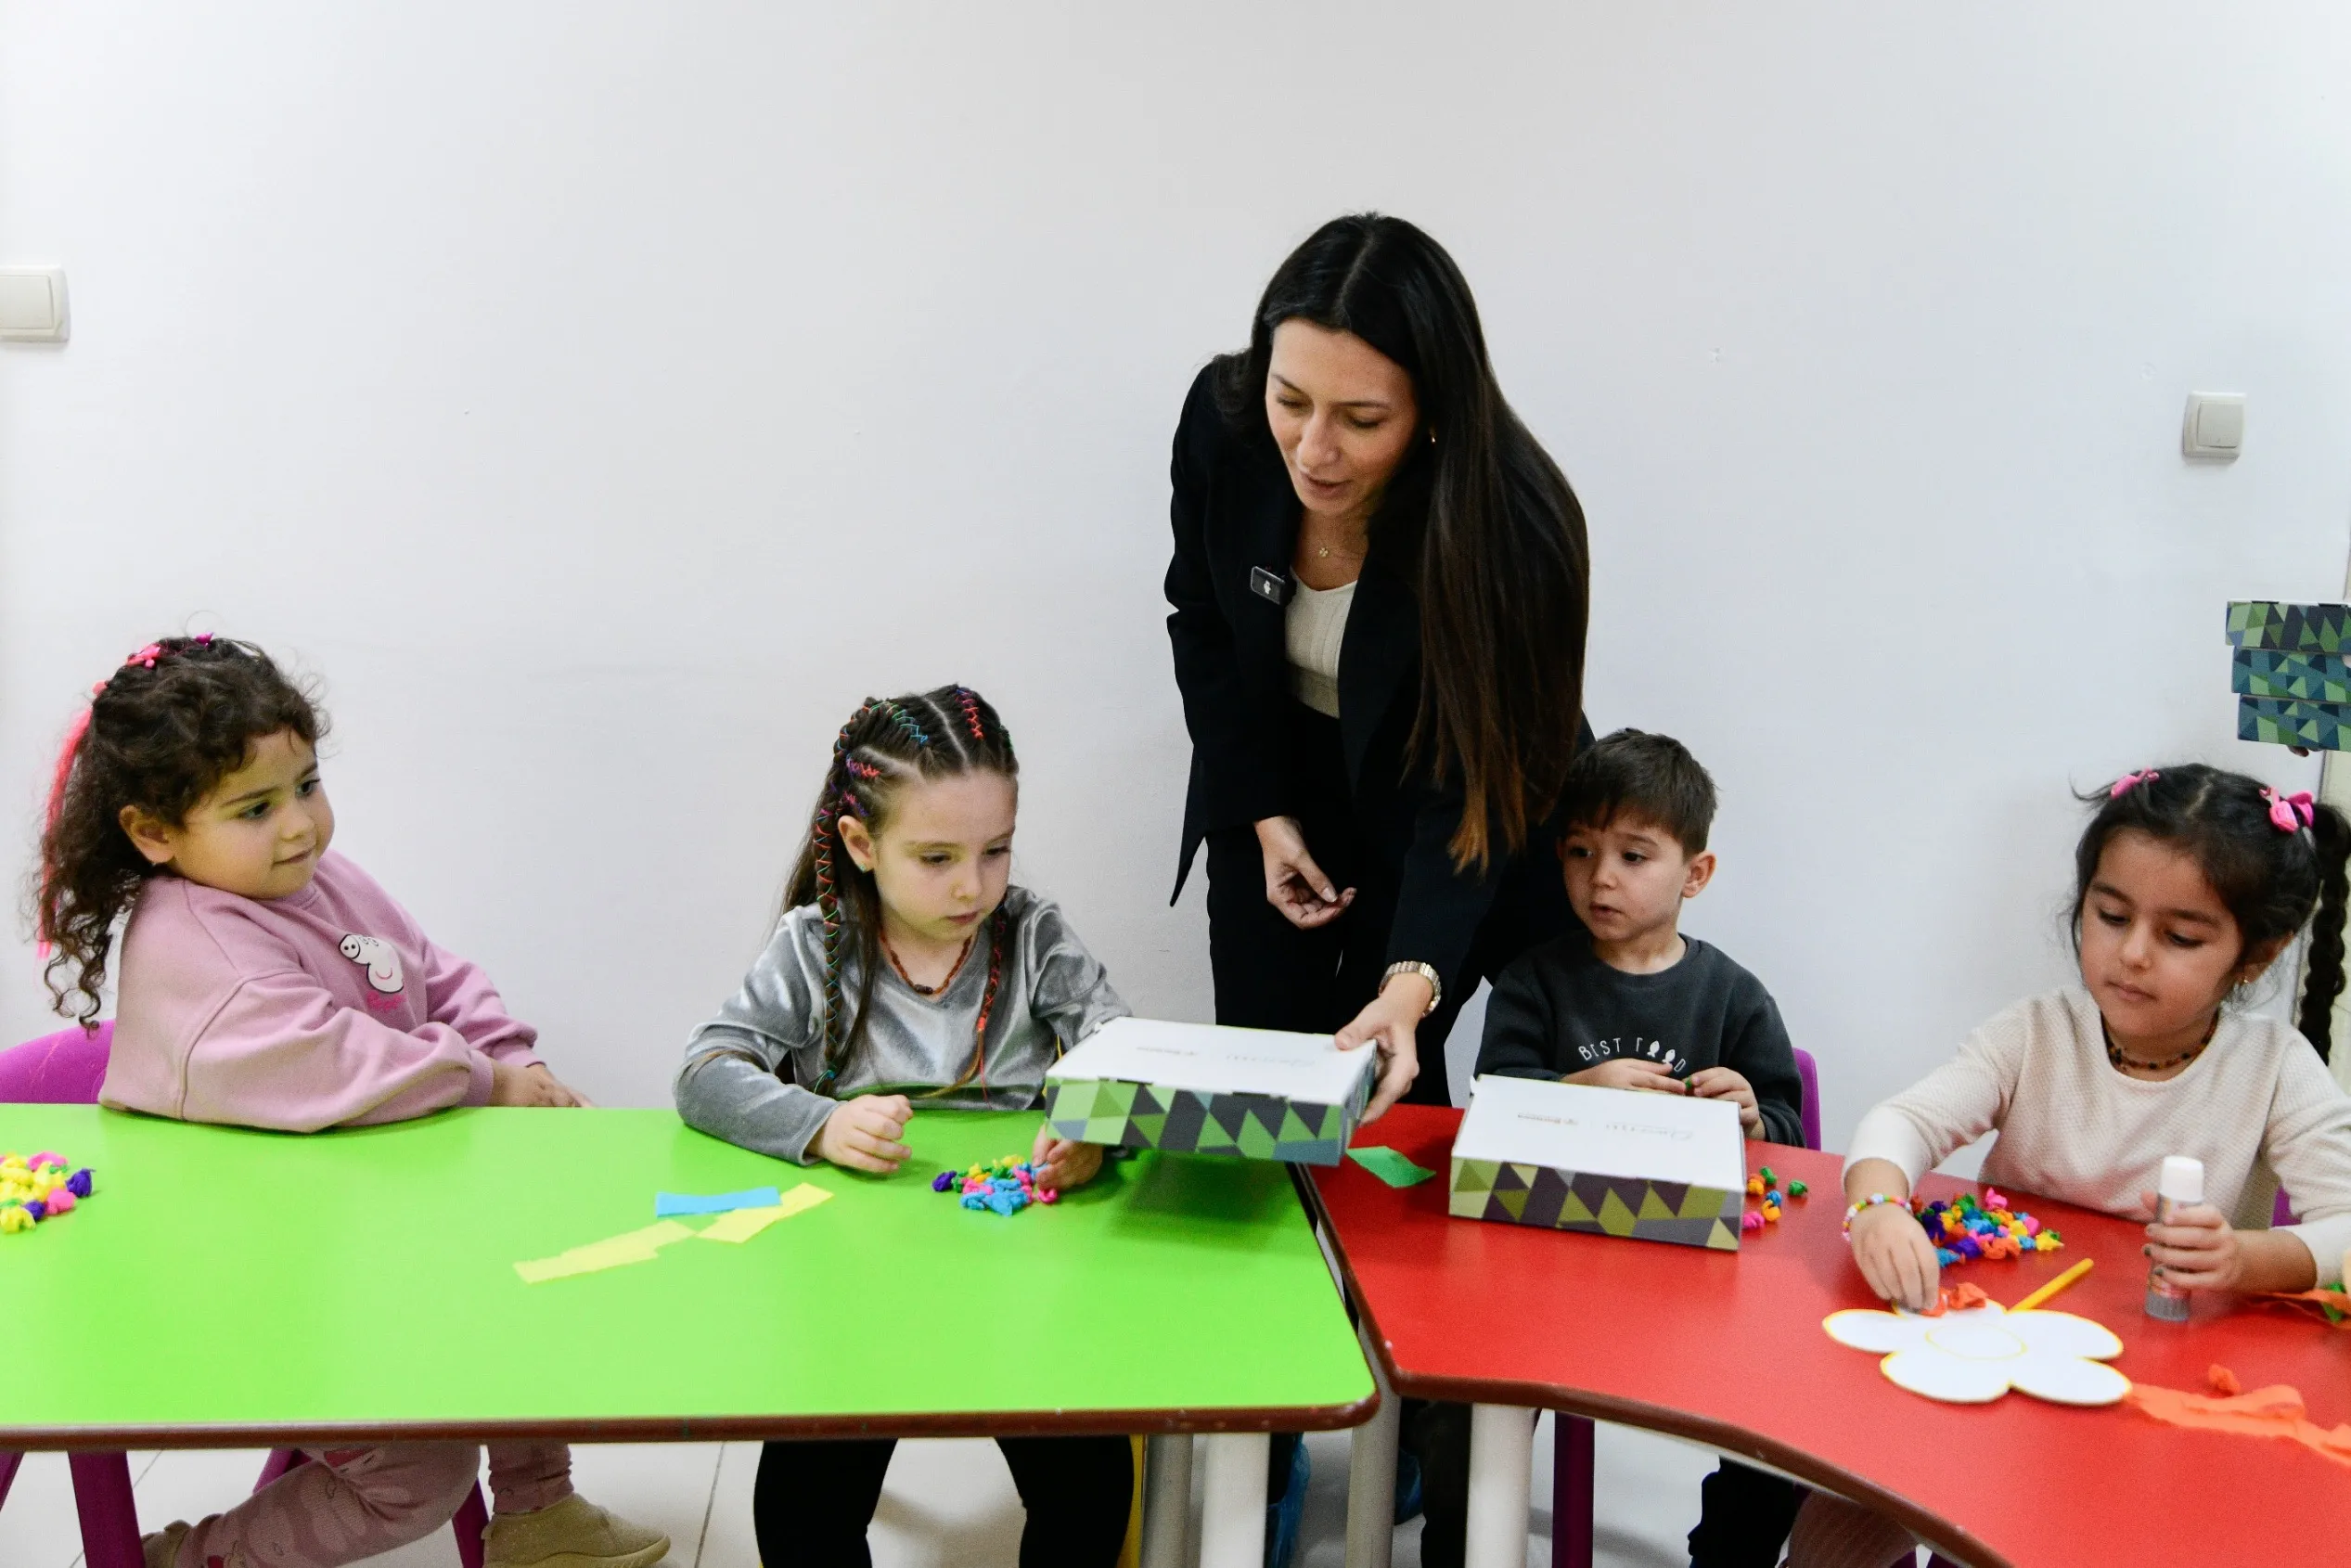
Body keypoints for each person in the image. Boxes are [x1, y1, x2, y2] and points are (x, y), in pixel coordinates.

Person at [36, 634, 667, 1568]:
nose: (299, 825)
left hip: (349, 1241)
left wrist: (504, 1057)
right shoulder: (196, 951)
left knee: (525, 1283)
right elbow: (333, 1066)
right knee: (417, 1471)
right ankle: (190, 1559)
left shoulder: (310, 876)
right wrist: (485, 1080)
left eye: (305, 785)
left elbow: (428, 971)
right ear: (155, 832)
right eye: (255, 807)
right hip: (236, 1291)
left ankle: (539, 1509)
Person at [1163, 212, 1591, 1568]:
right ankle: (1266, 1436)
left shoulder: (1512, 525)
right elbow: (1199, 619)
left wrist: (1414, 978)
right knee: (1269, 1130)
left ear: (1433, 414)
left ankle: (1426, 1432)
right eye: (1293, 400)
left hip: (1450, 806)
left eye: (1361, 417)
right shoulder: (1225, 422)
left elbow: (1480, 785)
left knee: (1404, 1121)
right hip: (1280, 793)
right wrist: (1261, 808)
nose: (1313, 447)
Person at [1792, 764, 2351, 1568]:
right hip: (1988, 1361)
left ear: (2255, 956)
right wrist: (1877, 1207)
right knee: (1841, 1523)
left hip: (2157, 1399)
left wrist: (2247, 1260)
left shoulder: (2272, 1066)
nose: (2131, 955)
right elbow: (1903, 1122)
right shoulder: (2036, 1033)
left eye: (2181, 937)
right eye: (2110, 914)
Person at [674, 686, 1133, 1568]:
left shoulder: (1033, 936)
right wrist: (819, 1124)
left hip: (1020, 1272)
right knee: (803, 1512)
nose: (974, 885)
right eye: (936, 857)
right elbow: (704, 1072)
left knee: (1090, 1486)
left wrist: (1093, 1125)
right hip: (858, 1283)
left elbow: (1115, 1046)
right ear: (861, 843)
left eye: (995, 850)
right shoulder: (816, 946)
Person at [1475, 728, 1804, 1568]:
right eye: (1581, 852)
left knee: (1785, 1419)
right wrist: (1575, 1092)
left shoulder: (1732, 995)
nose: (1601, 877)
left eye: (1633, 854)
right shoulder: (1532, 982)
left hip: (1693, 1281)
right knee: (1463, 1411)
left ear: (1696, 873)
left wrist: (1755, 1117)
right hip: (1551, 1270)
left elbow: (1791, 1135)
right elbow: (1494, 1107)